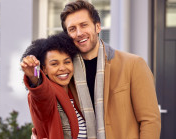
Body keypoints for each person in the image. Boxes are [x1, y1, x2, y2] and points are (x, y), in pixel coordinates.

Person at [59, 0, 161, 139]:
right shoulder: (66, 73)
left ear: (97, 26)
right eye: (72, 29)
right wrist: (33, 73)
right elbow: (41, 90)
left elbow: (150, 121)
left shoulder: (133, 64)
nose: (79, 33)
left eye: (84, 25)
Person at [20, 32, 87, 139]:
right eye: (54, 64)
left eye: (67, 62)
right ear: (44, 69)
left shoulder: (76, 94)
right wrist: (34, 76)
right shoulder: (47, 95)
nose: (62, 68)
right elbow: (40, 93)